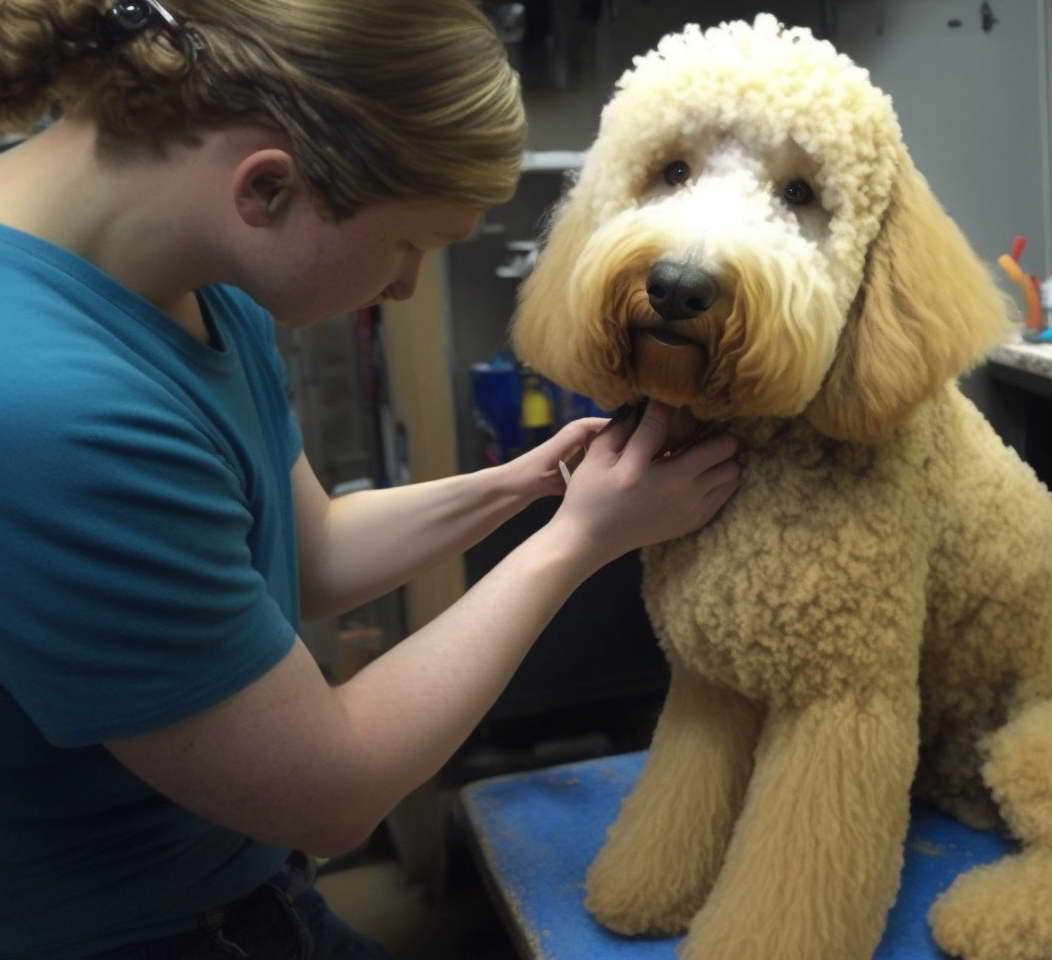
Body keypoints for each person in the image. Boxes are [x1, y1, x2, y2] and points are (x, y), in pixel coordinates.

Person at [0, 1, 743, 957]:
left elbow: (311, 553)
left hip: (247, 888)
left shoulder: (192, 275)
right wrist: (580, 543)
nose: (403, 287)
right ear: (266, 190)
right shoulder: (56, 410)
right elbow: (333, 792)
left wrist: (526, 489)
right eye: (410, 246)